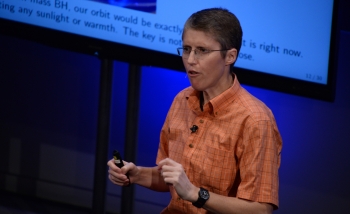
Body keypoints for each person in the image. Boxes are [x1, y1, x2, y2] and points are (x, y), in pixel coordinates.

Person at [108, 7, 282, 214]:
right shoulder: (182, 100)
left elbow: (260, 210)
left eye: (202, 50)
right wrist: (136, 174)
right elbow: (172, 180)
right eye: (187, 49)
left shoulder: (256, 120)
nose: (191, 60)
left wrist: (196, 194)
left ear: (230, 56)